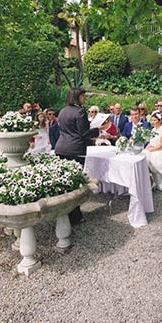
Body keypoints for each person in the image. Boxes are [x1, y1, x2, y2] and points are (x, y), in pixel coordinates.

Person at [55, 87, 99, 224]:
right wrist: (97, 131)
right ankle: (75, 216)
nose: (85, 98)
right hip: (75, 149)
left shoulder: (62, 111)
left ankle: (65, 213)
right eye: (83, 96)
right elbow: (84, 134)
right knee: (75, 183)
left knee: (65, 182)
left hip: (61, 148)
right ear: (76, 97)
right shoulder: (79, 111)